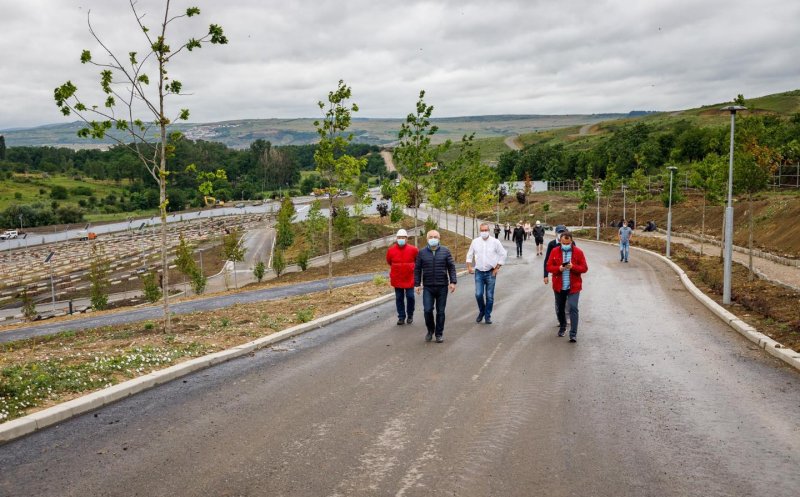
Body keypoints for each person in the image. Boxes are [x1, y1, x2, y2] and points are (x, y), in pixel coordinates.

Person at [414, 230, 457, 343]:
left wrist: (453, 282)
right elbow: (417, 269)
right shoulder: (422, 253)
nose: (433, 238)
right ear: (427, 239)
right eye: (431, 237)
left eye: (435, 237)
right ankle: (430, 330)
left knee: (440, 311)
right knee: (427, 310)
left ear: (439, 238)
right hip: (428, 287)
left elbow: (451, 267)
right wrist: (417, 284)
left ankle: (439, 334)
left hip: (442, 286)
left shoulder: (445, 251)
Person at [545, 230, 588, 342]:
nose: (565, 245)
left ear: (571, 241)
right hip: (559, 286)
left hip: (574, 286)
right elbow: (548, 267)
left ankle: (573, 333)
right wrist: (558, 268)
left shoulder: (578, 252)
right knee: (560, 309)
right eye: (563, 243)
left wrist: (573, 267)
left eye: (567, 243)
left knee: (573, 308)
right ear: (560, 241)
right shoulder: (554, 251)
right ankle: (563, 326)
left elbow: (584, 268)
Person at [466, 223, 508, 324]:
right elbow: (469, 254)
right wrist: (469, 267)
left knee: (489, 296)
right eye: (482, 230)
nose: (484, 232)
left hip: (491, 272)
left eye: (486, 230)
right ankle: (482, 311)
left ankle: (487, 315)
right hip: (479, 272)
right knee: (478, 294)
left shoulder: (495, 242)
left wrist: (497, 267)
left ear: (489, 231)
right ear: (480, 231)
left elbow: (503, 254)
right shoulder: (475, 242)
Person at [386, 228, 419, 325]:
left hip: (410, 277)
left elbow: (418, 261)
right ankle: (401, 317)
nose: (401, 239)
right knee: (399, 298)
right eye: (399, 237)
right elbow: (389, 261)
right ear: (396, 238)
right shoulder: (391, 250)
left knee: (410, 296)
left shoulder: (413, 249)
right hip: (397, 278)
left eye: (403, 237)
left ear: (407, 239)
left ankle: (410, 315)